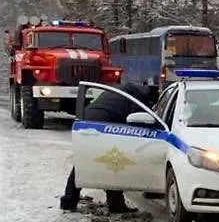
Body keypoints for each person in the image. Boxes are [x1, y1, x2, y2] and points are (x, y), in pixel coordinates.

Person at [59, 83, 154, 214]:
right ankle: (116, 205)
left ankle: (69, 200)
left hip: (86, 120)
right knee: (113, 163)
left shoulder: (119, 90)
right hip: (104, 125)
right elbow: (140, 120)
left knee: (82, 162)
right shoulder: (136, 98)